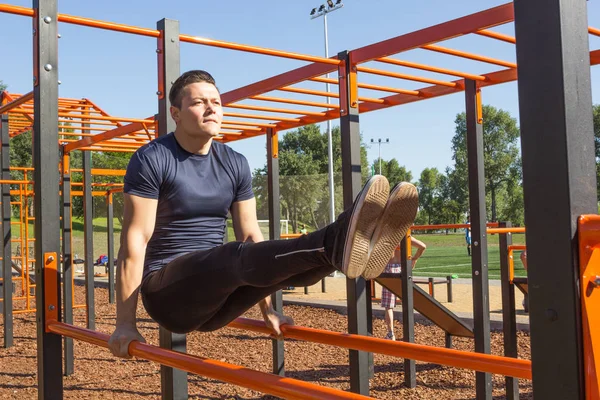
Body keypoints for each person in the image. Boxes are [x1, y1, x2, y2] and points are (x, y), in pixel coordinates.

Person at [108, 70, 420, 358]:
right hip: (168, 296)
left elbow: (251, 238)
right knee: (232, 255)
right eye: (199, 102)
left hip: (218, 300)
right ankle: (339, 235)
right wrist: (125, 323)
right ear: (175, 113)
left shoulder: (235, 162)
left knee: (282, 258)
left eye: (216, 102)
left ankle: (337, 250)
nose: (211, 109)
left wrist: (270, 309)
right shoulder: (152, 159)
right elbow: (136, 240)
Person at [380, 237, 427, 340]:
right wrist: (414, 259)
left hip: (389, 268)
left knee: (388, 306)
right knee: (406, 301)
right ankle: (409, 333)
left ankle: (391, 333)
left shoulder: (389, 235)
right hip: (402, 268)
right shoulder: (405, 236)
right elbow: (422, 246)